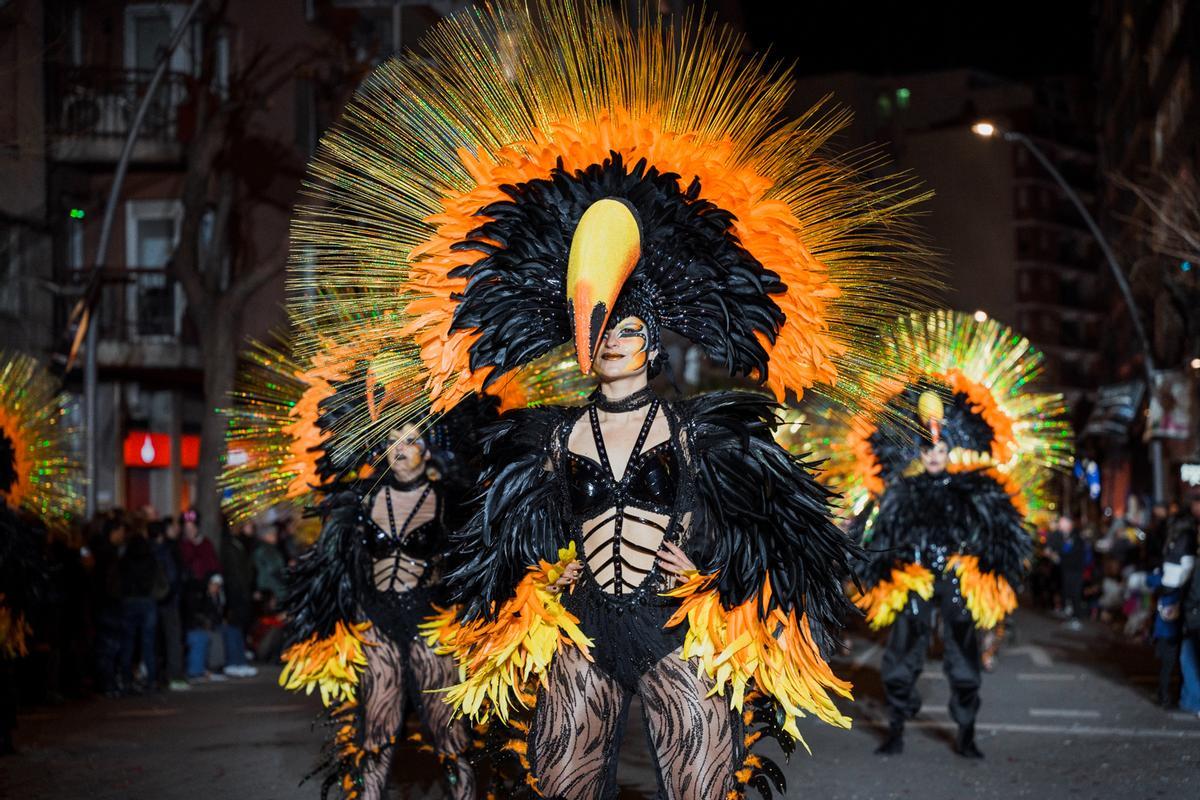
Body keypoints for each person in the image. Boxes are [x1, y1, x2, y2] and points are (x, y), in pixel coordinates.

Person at [287, 3, 937, 796]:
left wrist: (701, 549)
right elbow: (507, 533)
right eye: (600, 327)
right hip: (583, 631)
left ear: (654, 343)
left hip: (673, 630)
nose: (612, 340)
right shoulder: (554, 439)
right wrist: (538, 576)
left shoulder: (698, 433)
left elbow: (779, 529)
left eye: (629, 327)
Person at [280, 391, 493, 800]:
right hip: (377, 619)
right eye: (393, 438)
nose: (400, 448)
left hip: (429, 619)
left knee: (449, 733)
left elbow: (474, 561)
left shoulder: (449, 501)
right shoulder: (362, 501)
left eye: (411, 440)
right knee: (375, 731)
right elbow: (340, 565)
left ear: (428, 452)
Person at [184, 574, 257, 681]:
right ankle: (228, 665)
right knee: (220, 635)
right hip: (203, 627)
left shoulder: (219, 597)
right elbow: (198, 614)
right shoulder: (201, 596)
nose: (216, 588)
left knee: (235, 631)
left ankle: (240, 663)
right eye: (214, 585)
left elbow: (221, 613)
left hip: (215, 625)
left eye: (218, 586)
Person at [117, 528, 161, 693]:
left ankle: (127, 680)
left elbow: (117, 580)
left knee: (128, 643)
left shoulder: (125, 560)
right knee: (148, 643)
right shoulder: (150, 560)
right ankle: (151, 680)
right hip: (147, 601)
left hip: (129, 601)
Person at [153, 517, 188, 691]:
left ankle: (157, 675)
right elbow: (173, 575)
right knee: (172, 637)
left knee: (156, 639)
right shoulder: (168, 550)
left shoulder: (153, 549)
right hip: (168, 598)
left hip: (155, 599)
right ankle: (174, 675)